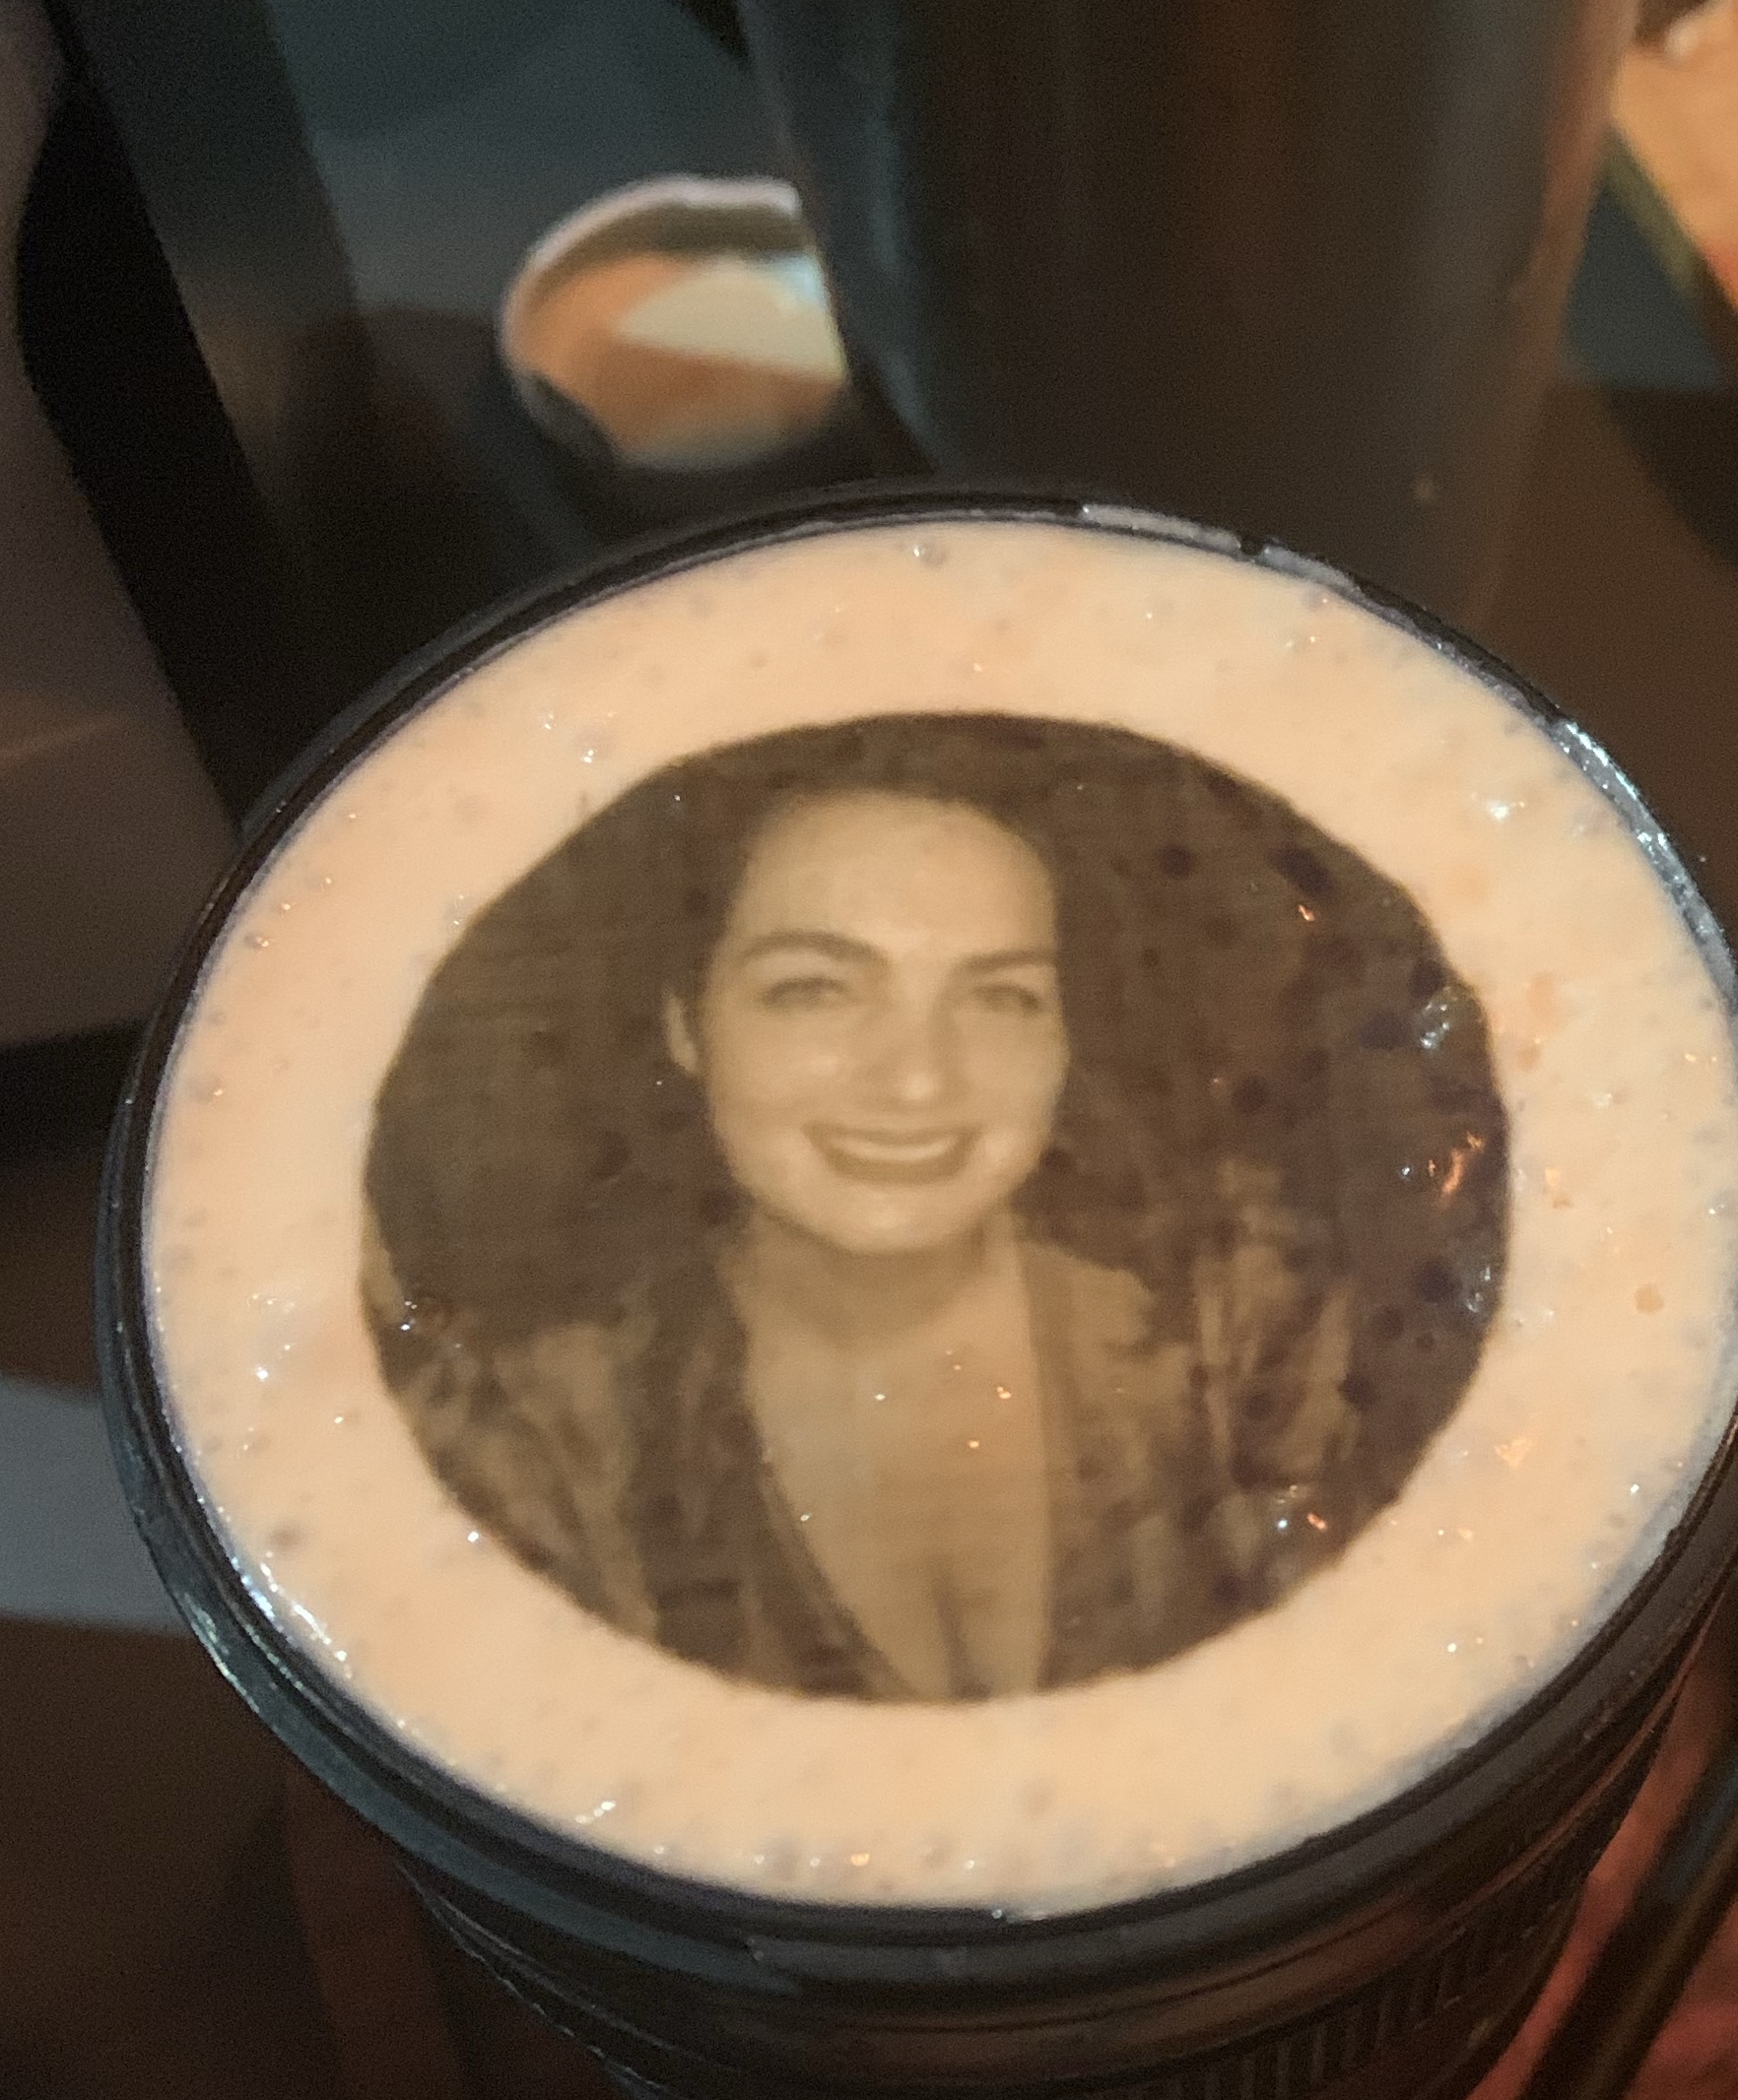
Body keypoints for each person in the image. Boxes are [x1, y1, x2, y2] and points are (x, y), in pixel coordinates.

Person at [368, 720, 1470, 1703]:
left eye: (1000, 997)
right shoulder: (546, 1441)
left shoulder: (1235, 1335)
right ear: (688, 1029)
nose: (917, 1081)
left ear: (1065, 1036)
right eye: (816, 988)